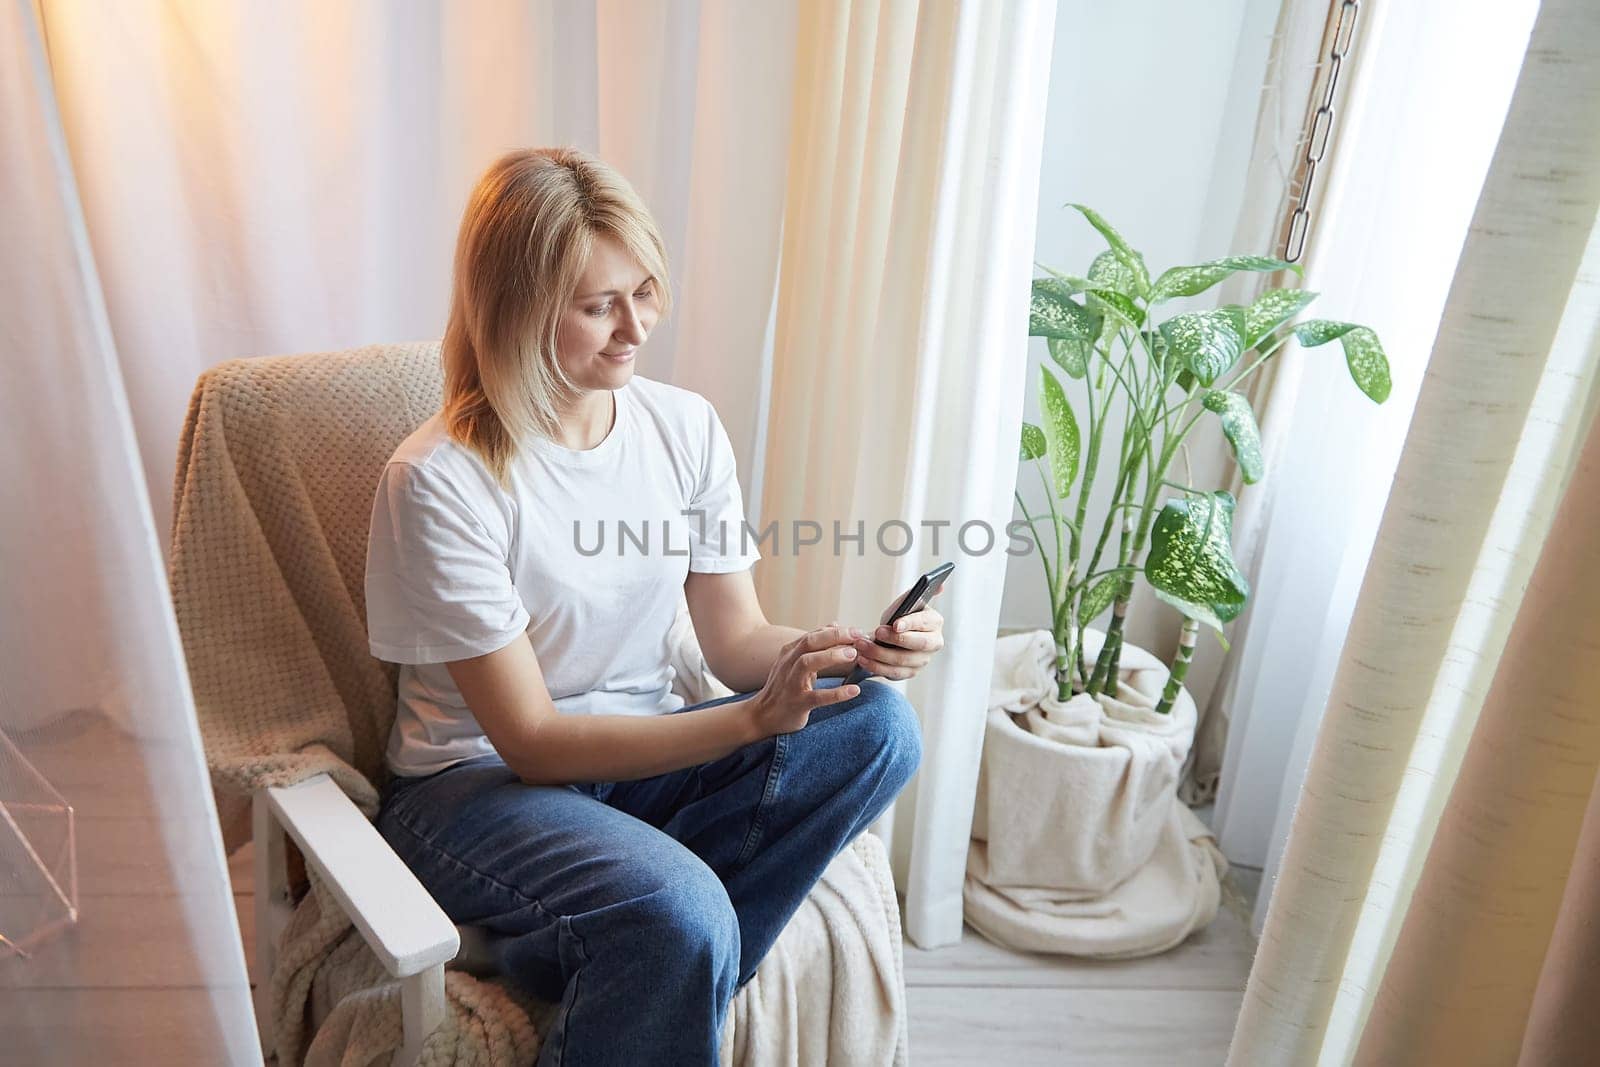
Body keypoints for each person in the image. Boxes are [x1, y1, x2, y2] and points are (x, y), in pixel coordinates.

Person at [363, 146, 944, 1066]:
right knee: (681, 910)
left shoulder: (683, 427)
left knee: (879, 725)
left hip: (635, 767)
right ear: (515, 311)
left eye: (645, 291)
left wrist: (847, 651)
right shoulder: (442, 480)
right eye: (599, 305)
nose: (635, 328)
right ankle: (646, 937)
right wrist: (754, 721)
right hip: (475, 792)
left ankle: (613, 951)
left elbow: (736, 638)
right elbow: (535, 741)